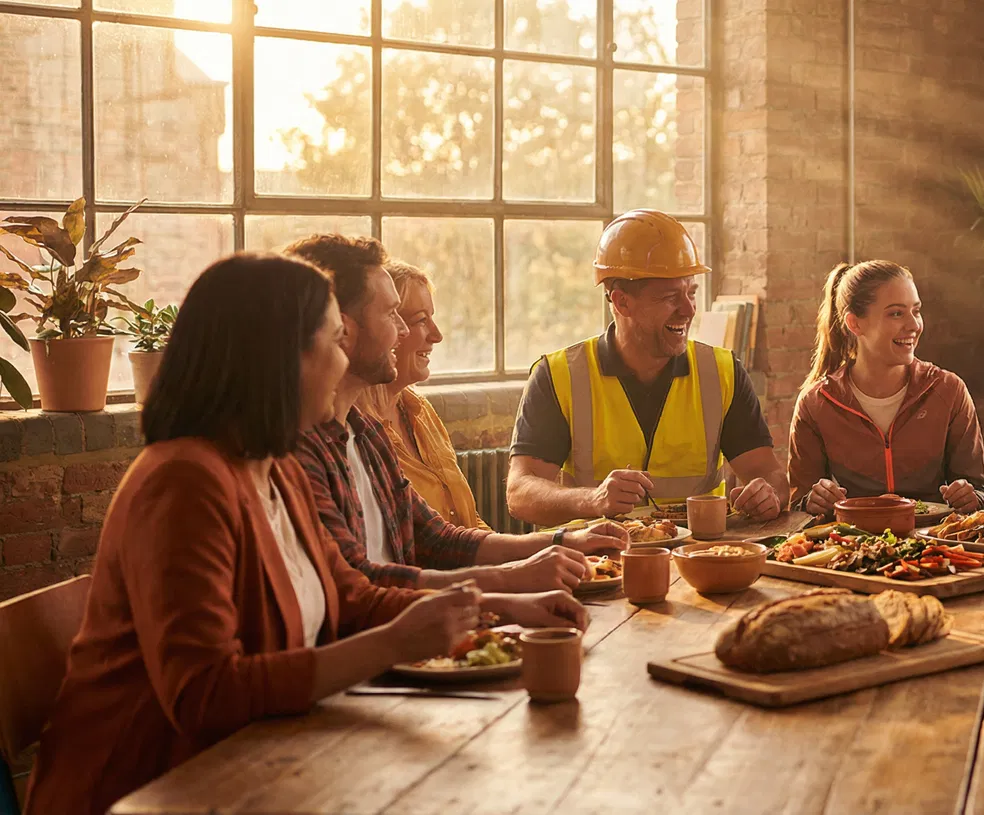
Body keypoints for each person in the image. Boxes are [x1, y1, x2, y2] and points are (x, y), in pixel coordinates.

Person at [25, 254, 587, 815]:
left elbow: (352, 597)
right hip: (152, 789)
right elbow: (205, 695)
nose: (344, 361)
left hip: (264, 764)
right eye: (334, 341)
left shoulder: (274, 467)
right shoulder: (183, 482)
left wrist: (498, 605)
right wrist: (397, 642)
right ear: (280, 359)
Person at [285, 235, 625, 592]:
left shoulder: (366, 433)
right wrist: (505, 582)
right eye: (393, 315)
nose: (404, 331)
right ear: (343, 330)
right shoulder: (302, 450)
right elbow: (359, 587)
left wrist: (563, 542)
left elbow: (438, 539)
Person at [506, 210, 789, 526]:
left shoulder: (722, 372)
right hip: (603, 560)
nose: (688, 309)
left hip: (700, 555)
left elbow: (770, 474)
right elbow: (520, 494)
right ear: (621, 302)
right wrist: (592, 499)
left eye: (691, 293)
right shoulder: (558, 376)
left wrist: (769, 495)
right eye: (670, 297)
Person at [787, 261, 984, 515]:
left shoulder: (948, 390)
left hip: (935, 546)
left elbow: (981, 490)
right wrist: (812, 501)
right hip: (853, 547)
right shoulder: (816, 403)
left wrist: (970, 496)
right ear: (855, 324)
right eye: (896, 313)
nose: (914, 325)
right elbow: (797, 505)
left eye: (916, 311)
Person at [355, 260, 490, 529]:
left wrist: (530, 555)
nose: (437, 335)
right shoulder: (357, 433)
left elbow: (468, 522)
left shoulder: (420, 410)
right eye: (420, 320)